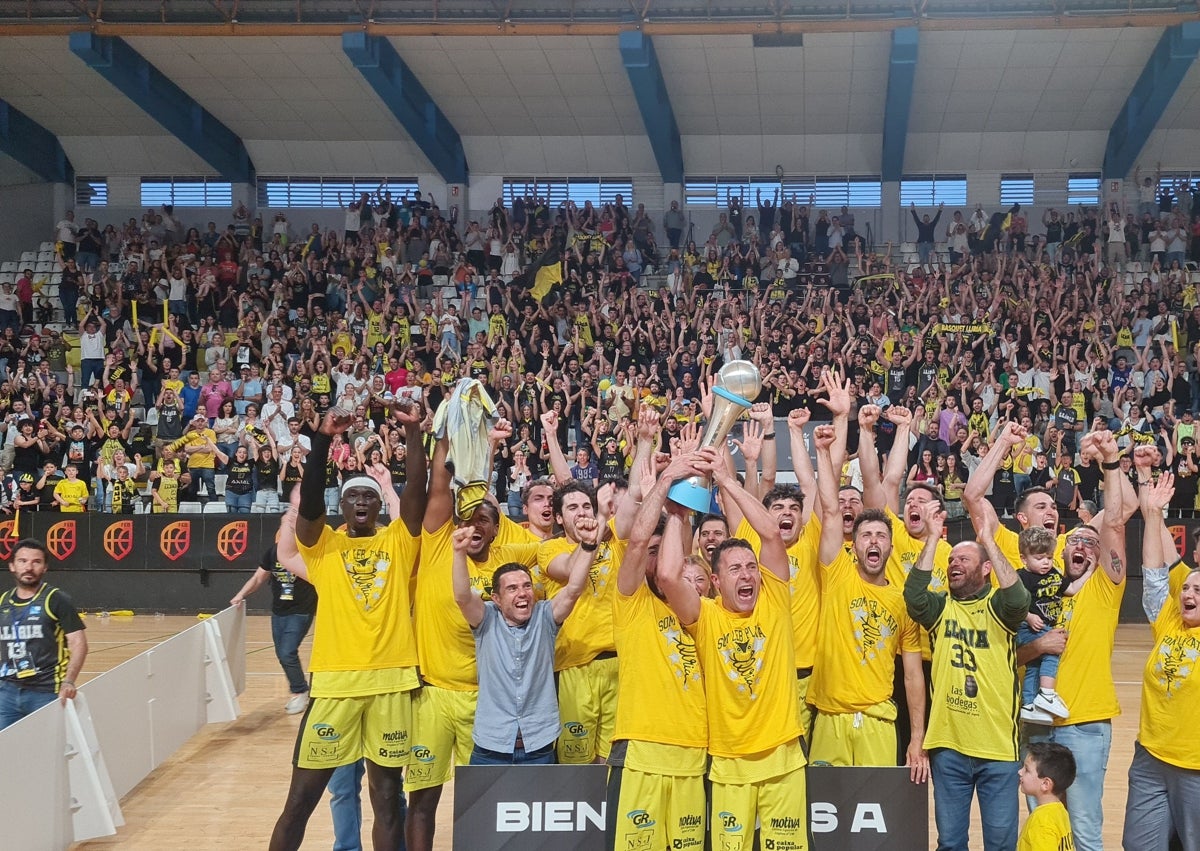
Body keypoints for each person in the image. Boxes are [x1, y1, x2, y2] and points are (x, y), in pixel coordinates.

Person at [268, 399, 427, 851]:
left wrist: (414, 433)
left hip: (392, 682)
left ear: (379, 505)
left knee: (387, 798)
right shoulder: (322, 546)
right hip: (335, 685)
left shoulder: (399, 542)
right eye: (352, 496)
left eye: (368, 496)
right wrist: (323, 438)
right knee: (300, 800)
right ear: (342, 506)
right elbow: (311, 500)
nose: (360, 502)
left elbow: (416, 492)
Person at [658, 446, 808, 851]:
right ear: (717, 582)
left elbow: (771, 534)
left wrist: (727, 482)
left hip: (783, 758)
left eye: (751, 567)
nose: (747, 575)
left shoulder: (775, 601)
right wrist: (677, 513)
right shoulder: (706, 617)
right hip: (728, 762)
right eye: (735, 569)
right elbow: (669, 576)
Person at [905, 499, 1030, 851]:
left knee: (1002, 845)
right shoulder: (941, 608)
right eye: (951, 560)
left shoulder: (999, 607)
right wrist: (932, 538)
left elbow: (1019, 598)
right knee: (950, 844)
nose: (954, 564)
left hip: (998, 751)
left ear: (986, 568)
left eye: (963, 559)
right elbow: (914, 595)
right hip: (949, 748)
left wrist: (989, 540)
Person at [812, 414, 928, 779]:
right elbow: (830, 511)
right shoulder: (837, 573)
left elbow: (912, 676)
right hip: (830, 719)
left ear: (892, 547)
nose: (873, 541)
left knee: (875, 830)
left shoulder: (901, 602)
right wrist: (823, 453)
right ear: (854, 544)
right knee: (824, 828)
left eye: (881, 536)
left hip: (879, 720)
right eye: (866, 535)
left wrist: (917, 738)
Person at [606, 448, 710, 851]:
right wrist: (667, 484)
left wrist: (680, 511)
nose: (657, 560)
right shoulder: (632, 603)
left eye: (660, 552)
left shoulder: (703, 614)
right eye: (653, 554)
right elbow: (634, 545)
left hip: (692, 754)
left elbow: (677, 557)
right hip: (640, 752)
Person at [451, 510, 592, 764]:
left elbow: (573, 590)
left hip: (539, 747)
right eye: (512, 588)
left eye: (527, 585)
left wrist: (589, 545)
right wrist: (459, 553)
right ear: (496, 598)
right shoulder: (486, 619)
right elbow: (462, 597)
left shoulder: (545, 617)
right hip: (490, 747)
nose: (523, 593)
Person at [1122, 473, 1200, 850]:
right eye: (1186, 587)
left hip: (1196, 767)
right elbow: (1155, 575)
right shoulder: (1170, 619)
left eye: (1198, 589)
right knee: (1139, 845)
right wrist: (1152, 513)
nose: (1187, 592)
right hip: (1151, 757)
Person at [230, 517, 316, 716]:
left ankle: (300, 691)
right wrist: (241, 595)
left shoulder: (308, 553)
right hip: (278, 611)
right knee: (282, 654)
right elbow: (259, 577)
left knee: (287, 652)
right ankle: (300, 689)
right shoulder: (273, 552)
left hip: (301, 611)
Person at [0, 538, 87, 729]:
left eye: (36, 562)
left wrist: (69, 681)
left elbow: (78, 643)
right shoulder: (3, 601)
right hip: (6, 692)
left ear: (45, 568)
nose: (28, 567)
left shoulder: (56, 600)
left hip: (45, 692)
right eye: (22, 561)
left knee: (46, 754)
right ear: (12, 566)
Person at [1015, 526, 1078, 724]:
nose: (1045, 562)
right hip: (1029, 628)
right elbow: (1012, 603)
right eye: (1039, 558)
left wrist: (1091, 571)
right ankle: (1047, 693)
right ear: (1024, 558)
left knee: (1035, 664)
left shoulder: (1054, 574)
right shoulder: (1021, 577)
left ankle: (1028, 704)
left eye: (1049, 558)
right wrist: (1028, 616)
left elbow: (1072, 589)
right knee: (1053, 650)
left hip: (1042, 626)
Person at [1018, 742, 1077, 851]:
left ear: (1046, 784)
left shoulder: (1041, 824)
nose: (1020, 772)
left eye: (1027, 770)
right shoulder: (1060, 811)